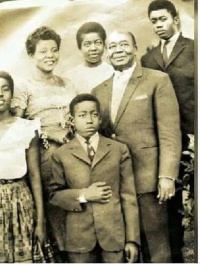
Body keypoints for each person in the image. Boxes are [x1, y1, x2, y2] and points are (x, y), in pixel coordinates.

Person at [92, 30, 182, 263]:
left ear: (135, 48)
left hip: (148, 178)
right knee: (125, 247)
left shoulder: (157, 80)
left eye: (124, 44)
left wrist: (167, 176)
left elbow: (170, 132)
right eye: (112, 46)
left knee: (157, 247)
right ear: (106, 53)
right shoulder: (98, 91)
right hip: (115, 182)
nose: (118, 50)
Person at [48, 93, 140, 263]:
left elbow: (129, 197)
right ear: (72, 120)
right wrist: (83, 195)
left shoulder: (118, 150)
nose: (89, 120)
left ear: (100, 119)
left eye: (94, 114)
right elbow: (55, 196)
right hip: (79, 239)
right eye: (82, 115)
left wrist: (132, 240)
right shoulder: (61, 154)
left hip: (114, 235)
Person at [11, 26, 77, 261]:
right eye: (43, 52)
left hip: (73, 154)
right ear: (31, 56)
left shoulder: (68, 84)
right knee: (54, 208)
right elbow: (15, 127)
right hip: (44, 157)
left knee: (75, 205)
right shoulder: (23, 87)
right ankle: (58, 256)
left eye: (54, 50)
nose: (50, 56)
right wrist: (50, 133)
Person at [140, 0, 194, 261]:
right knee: (169, 204)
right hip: (162, 141)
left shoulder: (194, 49)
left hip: (192, 136)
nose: (158, 25)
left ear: (176, 19)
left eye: (163, 19)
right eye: (154, 21)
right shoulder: (148, 59)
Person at [0, 71, 45, 263]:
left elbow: (35, 176)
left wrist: (41, 220)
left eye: (5, 89)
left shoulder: (26, 128)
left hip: (20, 202)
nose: (0, 95)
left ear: (12, 94)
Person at [66, 22, 113, 94]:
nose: (93, 48)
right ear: (80, 47)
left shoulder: (113, 72)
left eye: (98, 43)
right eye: (87, 44)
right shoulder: (69, 77)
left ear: (104, 44)